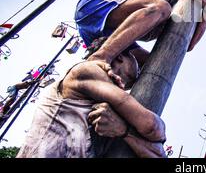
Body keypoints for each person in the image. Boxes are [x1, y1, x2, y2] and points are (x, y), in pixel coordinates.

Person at [17, 41, 166, 158]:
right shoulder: (84, 71)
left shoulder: (115, 118)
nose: (140, 69)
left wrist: (124, 131)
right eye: (136, 60)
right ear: (120, 56)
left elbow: (159, 154)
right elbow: (152, 127)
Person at [74, 0, 206, 71]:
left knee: (136, 69)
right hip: (97, 3)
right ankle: (101, 57)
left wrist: (205, 17)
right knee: (161, 8)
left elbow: (185, 48)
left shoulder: (161, 25)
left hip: (100, 34)